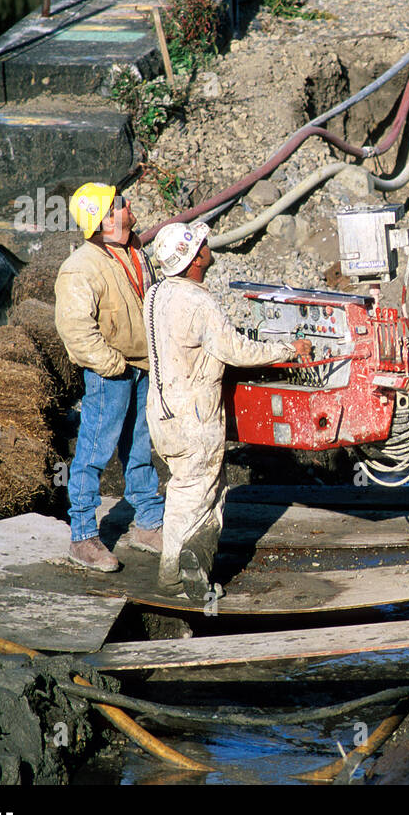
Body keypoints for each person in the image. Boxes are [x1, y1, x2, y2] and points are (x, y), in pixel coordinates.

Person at [145, 221, 308, 599]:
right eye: (201, 243)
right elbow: (237, 351)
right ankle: (181, 574)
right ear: (195, 259)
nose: (207, 245)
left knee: (187, 488)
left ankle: (178, 566)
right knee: (198, 494)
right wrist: (288, 351)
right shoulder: (199, 301)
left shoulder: (156, 294)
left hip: (162, 410)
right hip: (194, 416)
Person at [54, 183, 164, 572]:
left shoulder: (135, 252)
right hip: (111, 373)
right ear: (102, 221)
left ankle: (148, 523)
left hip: (142, 367)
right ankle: (82, 537)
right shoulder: (81, 266)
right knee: (92, 455)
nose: (128, 206)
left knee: (139, 447)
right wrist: (112, 364)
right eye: (119, 205)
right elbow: (75, 329)